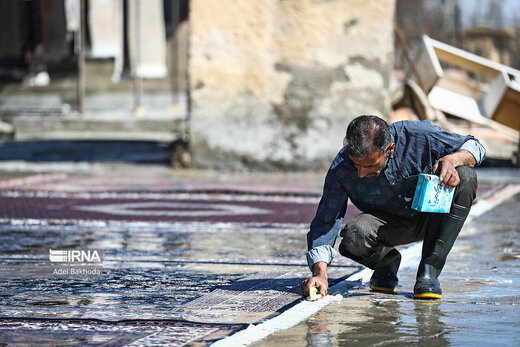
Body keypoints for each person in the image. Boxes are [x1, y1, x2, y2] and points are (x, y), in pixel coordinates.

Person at [300, 115, 486, 300]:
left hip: (433, 218)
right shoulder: (340, 168)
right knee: (353, 235)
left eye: (370, 165)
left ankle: (429, 273)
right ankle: (386, 262)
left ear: (389, 148)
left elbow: (475, 146)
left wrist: (453, 160)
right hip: (389, 226)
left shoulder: (417, 136)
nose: (361, 173)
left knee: (466, 176)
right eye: (356, 165)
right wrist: (320, 274)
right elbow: (326, 221)